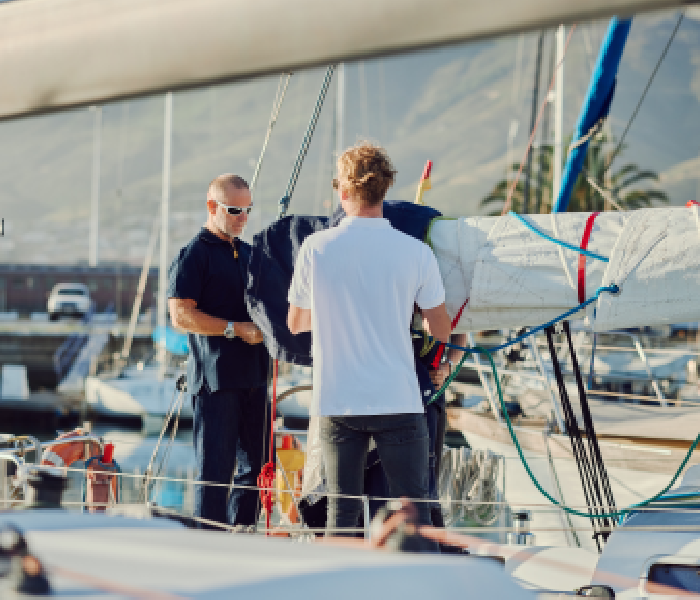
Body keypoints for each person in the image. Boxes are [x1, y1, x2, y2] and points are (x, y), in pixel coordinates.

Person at [287, 143, 451, 538]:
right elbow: (441, 329)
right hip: (398, 398)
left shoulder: (316, 248)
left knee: (340, 517)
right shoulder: (415, 252)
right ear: (385, 190)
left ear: (342, 191)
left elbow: (296, 323)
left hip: (338, 401)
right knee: (416, 518)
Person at [167, 174, 269, 529]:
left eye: (248, 210)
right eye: (235, 210)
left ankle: (239, 540)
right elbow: (180, 315)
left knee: (255, 470)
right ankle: (207, 546)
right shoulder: (194, 256)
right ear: (212, 207)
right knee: (215, 474)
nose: (243, 217)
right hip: (216, 382)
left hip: (256, 379)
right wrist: (233, 328)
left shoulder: (251, 254)